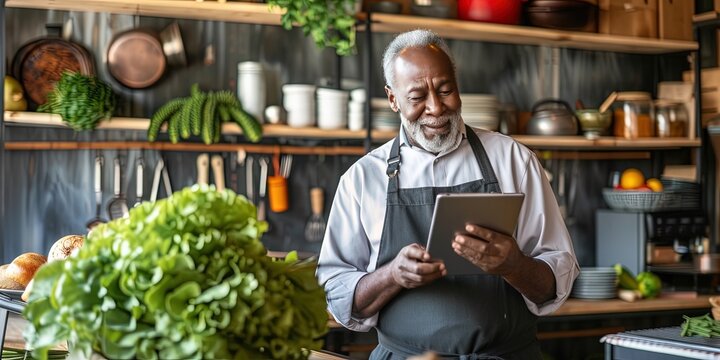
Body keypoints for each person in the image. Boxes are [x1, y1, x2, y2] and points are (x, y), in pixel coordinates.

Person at [316, 29, 579, 359]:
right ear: (393, 98)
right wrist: (392, 276)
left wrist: (514, 265)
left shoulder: (512, 160)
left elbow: (556, 281)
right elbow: (338, 297)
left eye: (446, 90)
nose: (436, 107)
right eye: (416, 97)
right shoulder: (362, 179)